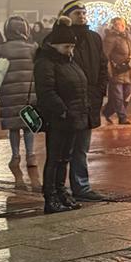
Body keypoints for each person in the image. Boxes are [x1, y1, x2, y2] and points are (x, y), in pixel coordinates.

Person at [33, 28, 91, 214]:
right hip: (59, 119)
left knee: (64, 158)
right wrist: (63, 111)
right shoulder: (45, 63)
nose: (70, 50)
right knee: (55, 158)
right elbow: (47, 92)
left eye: (72, 46)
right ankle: (50, 197)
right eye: (67, 46)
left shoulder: (68, 61)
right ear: (54, 45)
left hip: (73, 118)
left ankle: (61, 192)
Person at [56, 1, 110, 202]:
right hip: (69, 102)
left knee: (81, 148)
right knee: (63, 150)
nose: (82, 16)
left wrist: (99, 93)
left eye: (83, 13)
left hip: (89, 102)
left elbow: (103, 67)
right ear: (67, 15)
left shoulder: (94, 38)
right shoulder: (59, 37)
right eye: (77, 13)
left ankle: (81, 186)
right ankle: (58, 189)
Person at [0, 15, 39, 174]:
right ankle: (31, 155)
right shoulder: (33, 47)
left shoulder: (1, 49)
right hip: (30, 92)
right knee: (29, 126)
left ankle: (15, 155)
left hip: (9, 92)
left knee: (13, 128)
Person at [101, 16, 131, 125]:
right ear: (113, 26)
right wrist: (109, 71)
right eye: (116, 24)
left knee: (127, 94)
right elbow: (105, 55)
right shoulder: (110, 38)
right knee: (118, 96)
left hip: (130, 70)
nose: (119, 26)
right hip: (117, 71)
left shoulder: (128, 36)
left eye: (121, 24)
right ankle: (122, 117)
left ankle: (108, 111)